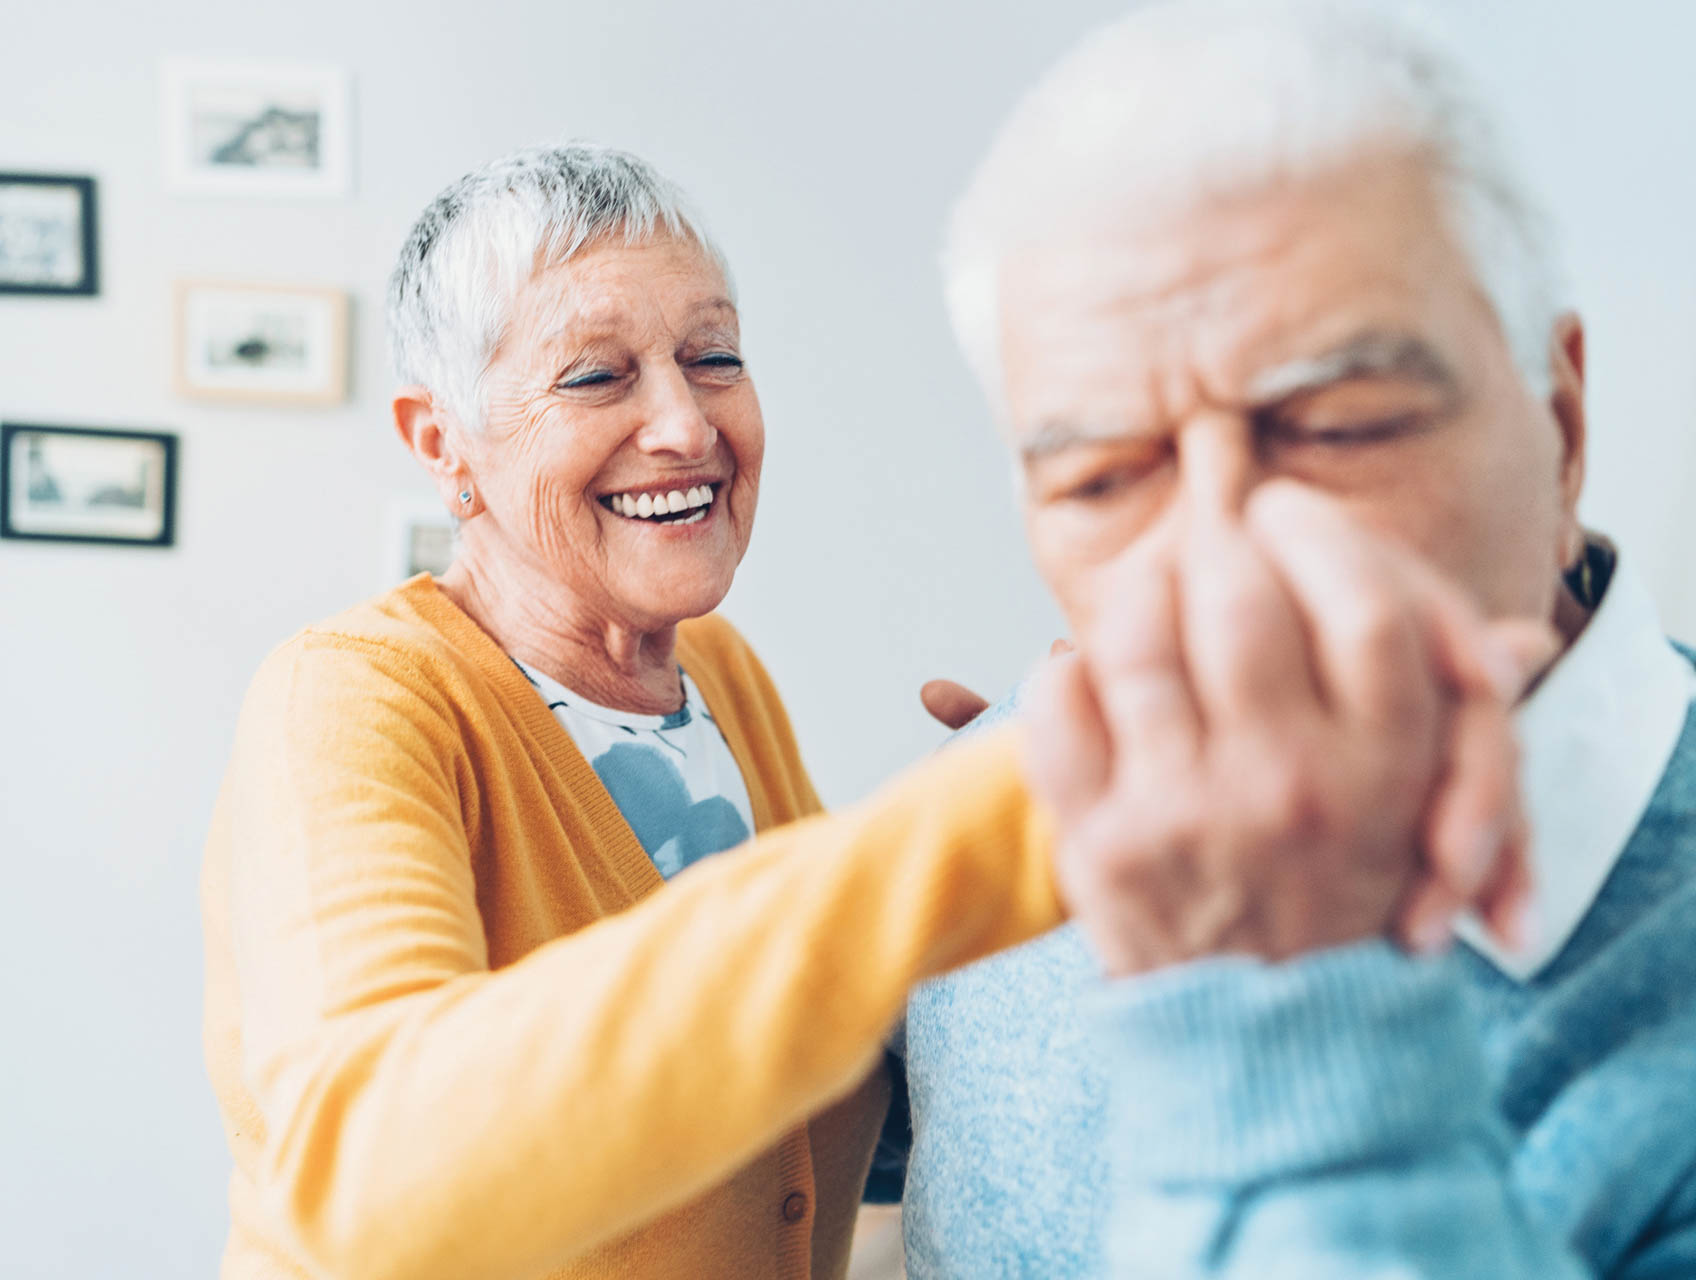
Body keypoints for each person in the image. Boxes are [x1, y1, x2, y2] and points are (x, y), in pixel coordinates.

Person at [893, 3, 1696, 1277]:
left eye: (1341, 427)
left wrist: (1288, 1006)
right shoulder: (991, 824)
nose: (1219, 558)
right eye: (1105, 479)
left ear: (1565, 419)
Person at [197, 142, 1087, 1280]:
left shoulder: (719, 674)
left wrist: (1034, 852)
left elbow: (779, 1080)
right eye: (595, 376)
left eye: (712, 356)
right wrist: (966, 827)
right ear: (442, 443)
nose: (683, 423)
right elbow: (372, 1168)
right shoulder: (351, 702)